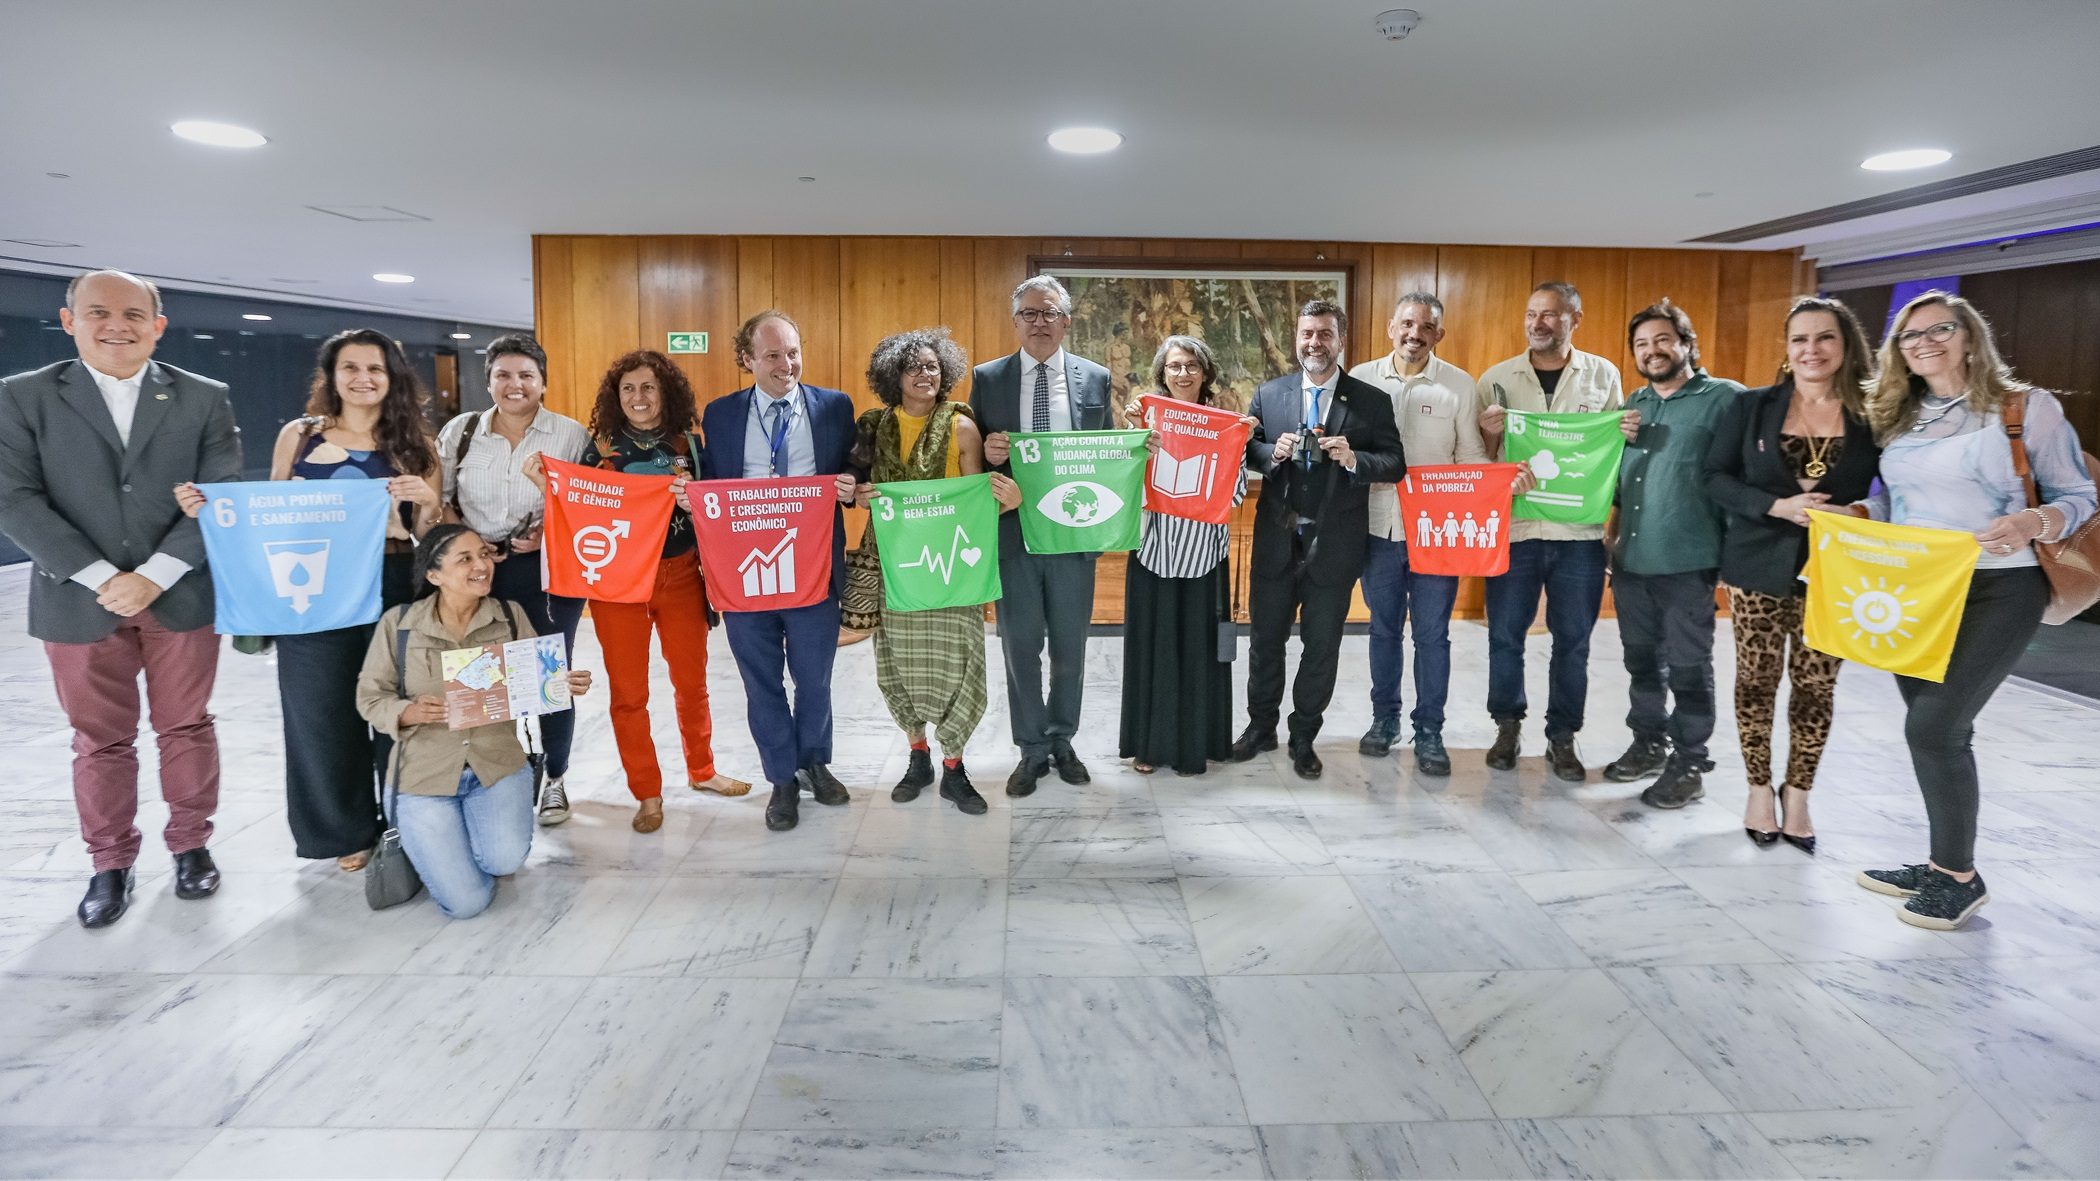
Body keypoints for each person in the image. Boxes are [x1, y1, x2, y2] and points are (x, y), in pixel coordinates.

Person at [0, 270, 241, 928]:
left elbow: (221, 494)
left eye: (135, 314)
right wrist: (103, 575)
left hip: (181, 593)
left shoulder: (202, 397)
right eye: (100, 311)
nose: (118, 325)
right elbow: (14, 497)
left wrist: (155, 573)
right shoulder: (21, 397)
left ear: (158, 325)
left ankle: (192, 846)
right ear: (69, 318)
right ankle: (110, 862)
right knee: (99, 738)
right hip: (78, 598)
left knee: (186, 726)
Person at [1853, 292, 2094, 929]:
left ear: (1969, 337)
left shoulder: (2022, 407)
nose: (1924, 342)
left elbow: (2080, 495)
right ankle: (1944, 863)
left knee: (1933, 729)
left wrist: (2031, 521)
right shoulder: (1902, 417)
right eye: (1909, 335)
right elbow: (1902, 505)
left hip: (2001, 588)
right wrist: (1860, 514)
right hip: (1919, 589)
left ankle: (1958, 878)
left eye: (1940, 329)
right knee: (1939, 733)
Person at [176, 329, 441, 872]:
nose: (363, 378)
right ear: (332, 375)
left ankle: (406, 819)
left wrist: (427, 500)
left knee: (400, 705)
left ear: (393, 379)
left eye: (375, 369)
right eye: (351, 367)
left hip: (390, 579)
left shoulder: (415, 442)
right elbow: (270, 509)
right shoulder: (299, 436)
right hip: (314, 585)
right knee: (318, 710)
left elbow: (429, 530)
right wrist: (211, 507)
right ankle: (343, 830)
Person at [1706, 296, 1880, 850]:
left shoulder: (1875, 412)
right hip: (1756, 567)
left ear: (1845, 345)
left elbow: (1896, 486)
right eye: (1800, 339)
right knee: (1755, 683)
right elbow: (1712, 477)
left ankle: (1798, 794)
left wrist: (1856, 512)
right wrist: (1774, 506)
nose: (1812, 349)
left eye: (1824, 337)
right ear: (1786, 349)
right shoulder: (1753, 407)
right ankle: (1758, 789)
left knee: (1816, 688)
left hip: (1837, 573)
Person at [355, 524, 593, 919]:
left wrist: (559, 682)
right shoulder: (399, 625)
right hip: (423, 778)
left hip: (496, 767)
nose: (482, 565)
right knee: (466, 904)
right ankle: (436, 849)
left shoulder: (510, 616)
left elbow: (536, 685)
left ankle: (450, 846)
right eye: (465, 559)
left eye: (484, 554)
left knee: (503, 863)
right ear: (434, 575)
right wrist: (406, 712)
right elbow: (369, 697)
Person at [699, 310, 859, 831]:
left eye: (792, 352)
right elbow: (710, 487)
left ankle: (815, 761)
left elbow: (857, 464)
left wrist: (851, 482)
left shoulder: (834, 407)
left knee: (815, 680)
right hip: (745, 573)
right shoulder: (720, 415)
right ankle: (782, 779)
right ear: (746, 360)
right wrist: (689, 497)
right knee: (762, 682)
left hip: (812, 570)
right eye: (772, 355)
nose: (786, 364)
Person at [1232, 299, 1404, 779]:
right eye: (1307, 334)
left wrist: (1354, 458)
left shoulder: (1370, 400)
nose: (1315, 343)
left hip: (1335, 547)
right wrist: (1272, 452)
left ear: (1340, 339)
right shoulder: (1270, 393)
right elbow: (1246, 449)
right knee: (1265, 642)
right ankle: (1260, 727)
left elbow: (1395, 463)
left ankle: (1304, 735)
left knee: (1321, 646)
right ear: (1296, 339)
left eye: (1324, 334)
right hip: (1275, 542)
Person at [853, 328, 1020, 815]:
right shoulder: (872, 426)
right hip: (896, 565)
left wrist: (1006, 499)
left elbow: (975, 500)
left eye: (931, 365)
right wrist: (858, 494)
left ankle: (954, 768)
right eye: (913, 367)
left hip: (950, 564)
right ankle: (918, 755)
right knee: (898, 664)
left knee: (959, 663)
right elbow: (851, 487)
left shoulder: (960, 426)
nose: (924, 374)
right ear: (893, 376)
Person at [581, 350, 747, 833]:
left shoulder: (691, 446)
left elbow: (720, 511)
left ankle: (703, 771)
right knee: (629, 694)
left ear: (666, 392)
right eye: (628, 388)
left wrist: (696, 499)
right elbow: (581, 515)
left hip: (681, 577)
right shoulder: (598, 450)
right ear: (617, 396)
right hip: (619, 584)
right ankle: (647, 793)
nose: (638, 397)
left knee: (692, 684)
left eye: (649, 387)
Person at [1475, 281, 1627, 781]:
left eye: (1551, 315)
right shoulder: (1498, 379)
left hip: (1579, 536)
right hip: (1515, 531)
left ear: (1574, 319)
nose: (1538, 323)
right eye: (1531, 313)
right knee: (1505, 636)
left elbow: (1613, 454)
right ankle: (1507, 726)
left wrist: (1626, 434)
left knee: (1574, 642)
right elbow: (1479, 461)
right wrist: (1491, 435)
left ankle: (1563, 737)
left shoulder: (1602, 375)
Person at [438, 333, 589, 827]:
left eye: (526, 374)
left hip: (548, 570)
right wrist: (467, 546)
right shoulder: (461, 433)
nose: (515, 384)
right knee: (480, 676)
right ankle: (493, 777)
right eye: (503, 374)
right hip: (476, 573)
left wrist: (551, 533)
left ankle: (555, 780)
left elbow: (590, 510)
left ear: (543, 382)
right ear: (489, 381)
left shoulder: (569, 435)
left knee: (549, 677)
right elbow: (438, 500)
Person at [971, 276, 1115, 796]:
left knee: (1071, 650)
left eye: (1049, 313)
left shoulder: (1095, 379)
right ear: (1015, 322)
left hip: (1072, 536)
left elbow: (1108, 453)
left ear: (1066, 321)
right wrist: (987, 456)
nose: (1039, 323)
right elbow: (972, 456)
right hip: (1012, 535)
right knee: (1021, 646)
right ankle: (1031, 748)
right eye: (1029, 314)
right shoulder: (987, 379)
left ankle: (1063, 740)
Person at [1347, 291, 1501, 774]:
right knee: (1383, 629)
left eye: (1426, 327)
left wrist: (1497, 478)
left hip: (1436, 535)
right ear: (1391, 326)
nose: (1415, 334)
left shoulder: (1458, 384)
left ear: (1440, 334)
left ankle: (1430, 729)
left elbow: (1472, 460)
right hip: (1376, 528)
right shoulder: (1359, 380)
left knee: (1433, 636)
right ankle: (1384, 720)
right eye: (1407, 324)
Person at [1603, 301, 1746, 808]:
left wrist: (1736, 559)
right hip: (1631, 561)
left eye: (1663, 340)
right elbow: (1616, 484)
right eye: (1641, 344)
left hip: (1690, 559)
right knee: (1642, 662)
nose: (1652, 351)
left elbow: (1743, 477)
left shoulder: (1724, 399)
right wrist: (1609, 539)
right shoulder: (1634, 405)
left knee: (1688, 665)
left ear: (1686, 342)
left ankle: (1690, 761)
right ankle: (1648, 743)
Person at [1118, 336, 1250, 775]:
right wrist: (1134, 440)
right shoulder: (1145, 417)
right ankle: (1148, 745)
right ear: (1162, 372)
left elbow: (1233, 493)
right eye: (1174, 366)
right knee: (1154, 648)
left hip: (1203, 554)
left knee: (1199, 649)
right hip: (1153, 547)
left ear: (1205, 372)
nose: (1183, 374)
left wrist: (1238, 441)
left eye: (1192, 365)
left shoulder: (1226, 425)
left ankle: (1201, 742)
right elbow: (1123, 481)